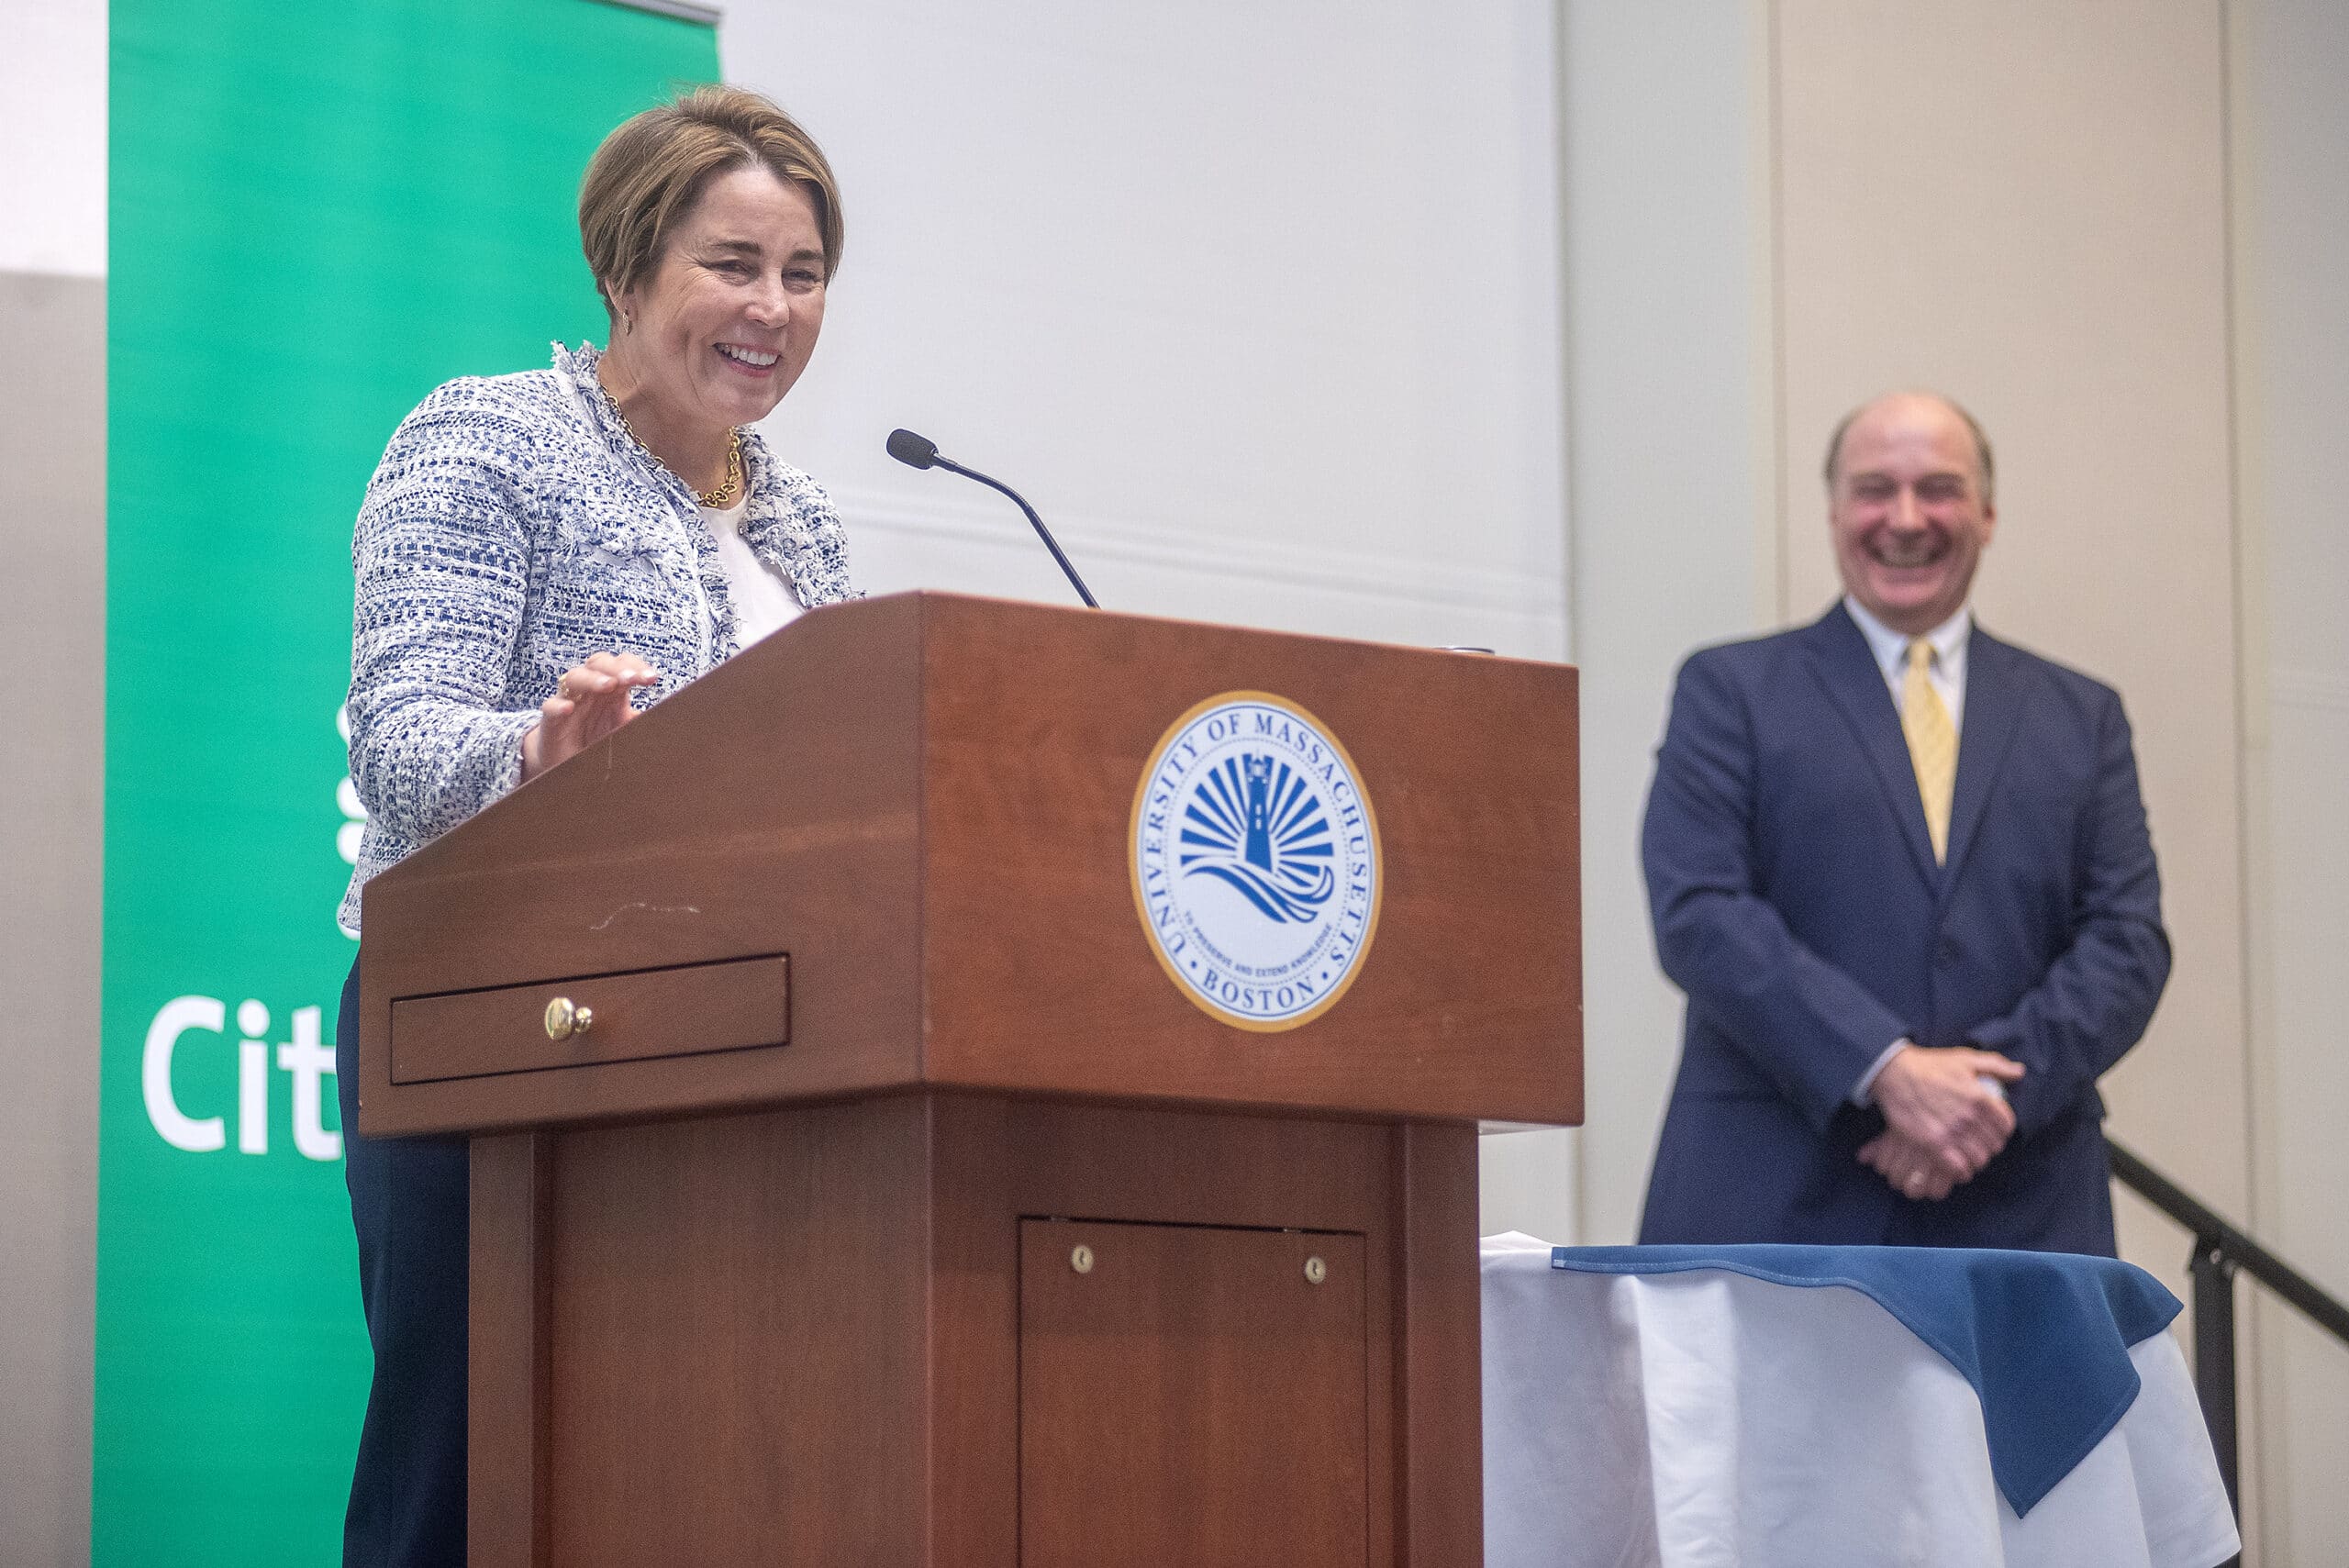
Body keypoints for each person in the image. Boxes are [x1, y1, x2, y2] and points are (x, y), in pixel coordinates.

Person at [330, 85, 856, 1565]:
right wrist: (543, 751)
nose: (772, 307)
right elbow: (405, 736)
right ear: (626, 271)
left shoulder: (804, 519)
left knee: (706, 1473)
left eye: (802, 274)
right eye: (732, 264)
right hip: (492, 1031)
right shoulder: (487, 438)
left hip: (744, 1049)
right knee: (472, 1470)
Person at [1637, 390, 2169, 1254]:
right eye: (1876, 488)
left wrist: (1980, 1098)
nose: (1907, 518)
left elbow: (2128, 941)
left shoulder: (2082, 717)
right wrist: (1885, 1067)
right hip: (1772, 1205)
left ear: (1988, 514)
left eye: (1941, 488)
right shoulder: (1730, 692)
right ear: (1835, 510)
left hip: (2016, 1212)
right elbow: (1699, 912)